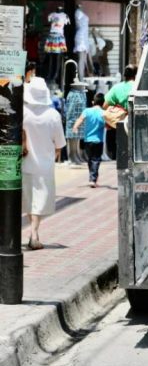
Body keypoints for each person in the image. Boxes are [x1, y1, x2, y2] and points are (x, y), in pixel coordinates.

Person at [21, 77, 66, 250]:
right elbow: (59, 144)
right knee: (39, 201)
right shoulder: (53, 115)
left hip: (25, 162)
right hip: (45, 166)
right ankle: (34, 233)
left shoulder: (22, 112)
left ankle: (32, 233)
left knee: (28, 199)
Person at [72, 93, 106, 187]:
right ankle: (93, 179)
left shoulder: (87, 111)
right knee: (96, 159)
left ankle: (92, 178)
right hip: (98, 140)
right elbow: (108, 125)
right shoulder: (104, 113)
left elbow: (80, 119)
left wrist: (75, 127)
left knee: (90, 159)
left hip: (87, 140)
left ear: (92, 102)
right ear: (103, 103)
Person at [64, 79, 88, 165]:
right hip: (72, 120)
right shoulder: (73, 94)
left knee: (77, 138)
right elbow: (70, 108)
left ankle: (76, 155)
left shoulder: (81, 94)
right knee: (72, 138)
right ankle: (72, 156)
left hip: (78, 119)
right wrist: (69, 118)